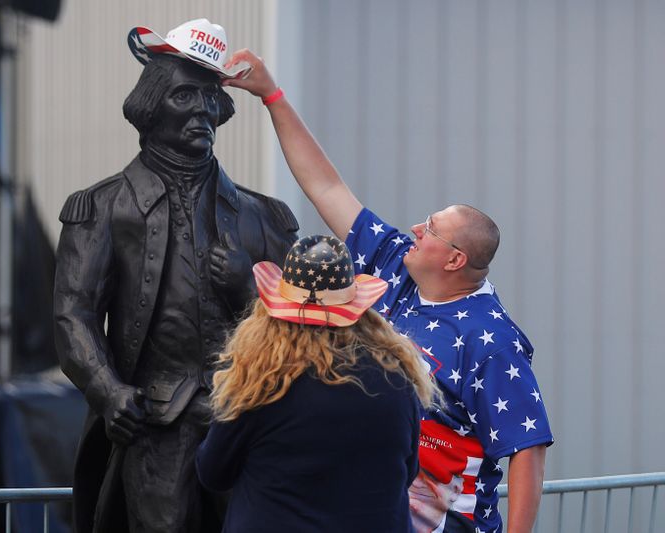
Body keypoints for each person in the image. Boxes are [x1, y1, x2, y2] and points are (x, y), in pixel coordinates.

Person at [221, 49, 554, 533]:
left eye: (431, 229)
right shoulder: (398, 267)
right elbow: (327, 188)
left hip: (446, 522)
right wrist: (272, 96)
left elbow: (528, 451)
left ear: (456, 259)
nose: (415, 228)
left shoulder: (492, 340)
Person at [53, 21, 298, 533]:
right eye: (186, 96)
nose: (203, 111)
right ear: (151, 104)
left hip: (246, 417)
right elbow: (73, 315)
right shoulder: (101, 207)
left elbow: (304, 318)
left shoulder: (265, 217)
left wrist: (249, 289)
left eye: (211, 98)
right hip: (154, 422)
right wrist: (108, 390)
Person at [195, 234, 440, 532]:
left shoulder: (259, 381)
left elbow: (214, 473)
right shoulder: (396, 377)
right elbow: (407, 469)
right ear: (356, 309)